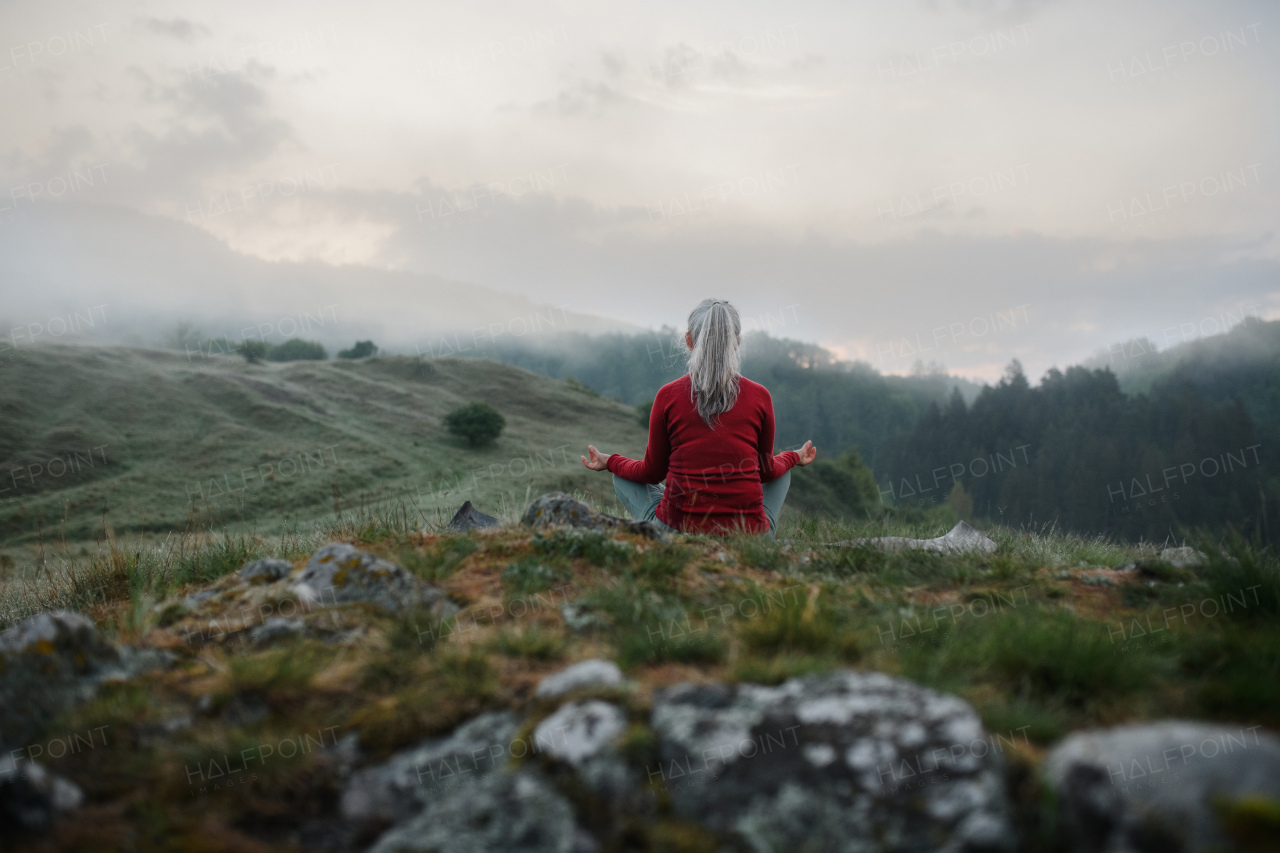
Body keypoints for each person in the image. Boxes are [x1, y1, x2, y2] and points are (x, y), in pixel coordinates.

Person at [581, 298, 817, 536]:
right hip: (749, 536)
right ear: (736, 343)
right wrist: (793, 457)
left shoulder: (668, 396)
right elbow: (766, 471)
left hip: (675, 531)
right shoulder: (760, 396)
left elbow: (650, 474)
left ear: (689, 341)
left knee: (621, 478)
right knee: (782, 471)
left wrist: (610, 461)